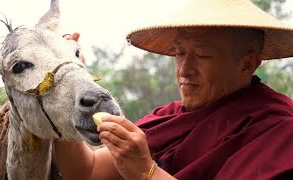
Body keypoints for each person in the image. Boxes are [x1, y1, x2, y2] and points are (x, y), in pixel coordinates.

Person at [55, 0, 293, 179]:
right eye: (179, 53)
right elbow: (87, 172)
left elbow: (142, 170)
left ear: (247, 64)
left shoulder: (278, 127)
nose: (184, 70)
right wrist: (61, 87)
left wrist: (145, 172)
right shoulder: (169, 118)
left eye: (202, 55)